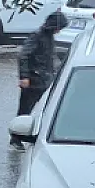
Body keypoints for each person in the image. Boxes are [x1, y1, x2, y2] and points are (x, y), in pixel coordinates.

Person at [14, 10, 67, 146]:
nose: (59, 31)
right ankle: (16, 138)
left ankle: (25, 136)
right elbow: (23, 55)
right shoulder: (37, 37)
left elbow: (49, 57)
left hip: (43, 80)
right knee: (25, 110)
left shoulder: (48, 38)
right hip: (33, 80)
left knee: (43, 109)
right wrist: (24, 77)